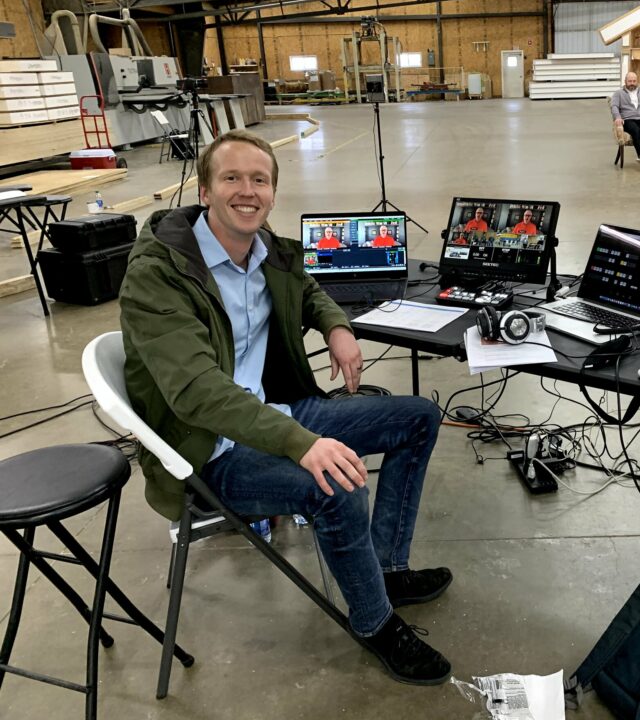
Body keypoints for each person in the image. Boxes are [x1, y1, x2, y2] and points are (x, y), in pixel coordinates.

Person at [119, 130, 452, 687]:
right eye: (231, 178)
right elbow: (197, 391)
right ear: (204, 190)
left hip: (272, 409)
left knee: (417, 417)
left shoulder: (263, 247)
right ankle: (374, 621)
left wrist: (337, 325)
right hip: (209, 450)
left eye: (260, 180)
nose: (247, 191)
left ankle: (386, 571)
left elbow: (307, 285)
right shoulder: (159, 274)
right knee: (338, 483)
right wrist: (302, 444)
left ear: (272, 193)